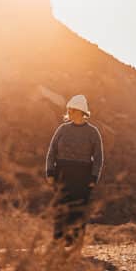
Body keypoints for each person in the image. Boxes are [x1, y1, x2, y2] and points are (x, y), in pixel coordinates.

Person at [46, 94, 104, 244]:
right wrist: (50, 172)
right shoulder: (62, 129)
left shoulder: (93, 132)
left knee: (78, 211)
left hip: (82, 177)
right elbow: (52, 151)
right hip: (62, 174)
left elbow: (98, 157)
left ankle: (74, 244)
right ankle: (58, 242)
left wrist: (93, 178)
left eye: (72, 110)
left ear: (80, 111)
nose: (69, 113)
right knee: (61, 209)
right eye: (69, 110)